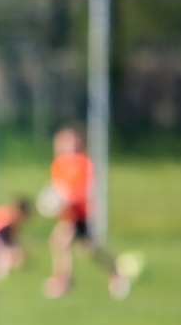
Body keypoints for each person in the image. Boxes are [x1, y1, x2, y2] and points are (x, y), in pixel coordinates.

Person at [42, 125, 129, 299]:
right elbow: (59, 188)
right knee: (88, 249)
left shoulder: (84, 162)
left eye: (71, 140)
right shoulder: (58, 164)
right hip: (68, 214)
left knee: (61, 241)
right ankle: (115, 272)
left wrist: (69, 198)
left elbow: (86, 188)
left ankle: (63, 280)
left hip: (82, 213)